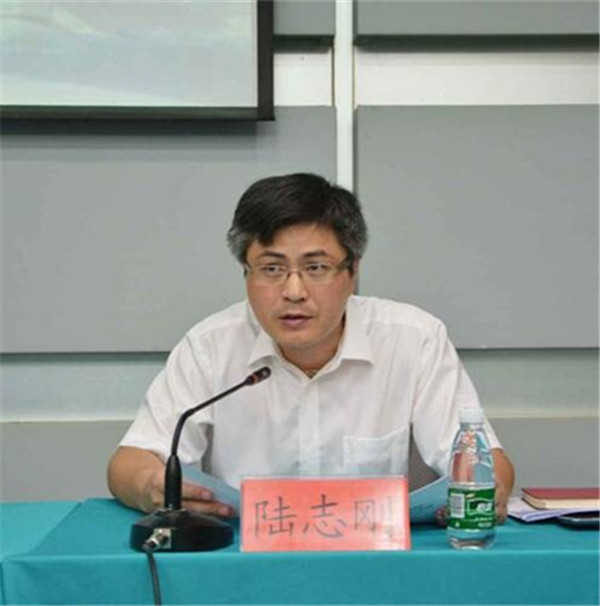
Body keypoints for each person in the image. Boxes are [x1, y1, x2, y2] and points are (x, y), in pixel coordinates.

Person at [107, 173, 514, 522]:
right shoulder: (210, 346)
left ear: (352, 271)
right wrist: (150, 485)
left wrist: (489, 487)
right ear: (246, 273)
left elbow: (485, 460)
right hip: (243, 563)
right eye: (271, 269)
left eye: (316, 268)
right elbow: (129, 462)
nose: (294, 291)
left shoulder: (414, 339)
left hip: (382, 564)